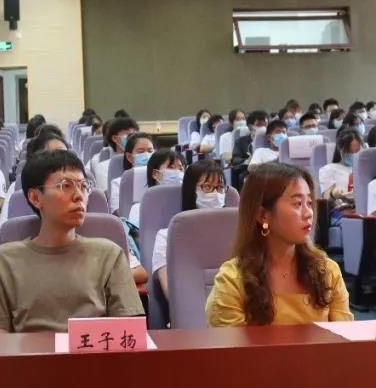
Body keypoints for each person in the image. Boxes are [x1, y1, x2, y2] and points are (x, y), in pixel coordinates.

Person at [0, 150, 144, 333]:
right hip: (27, 351)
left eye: (83, 186)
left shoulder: (109, 255)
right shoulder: (2, 261)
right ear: (35, 198)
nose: (79, 195)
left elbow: (128, 333)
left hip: (92, 351)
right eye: (66, 185)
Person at [206, 162, 351, 326]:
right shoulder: (232, 281)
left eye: (309, 203)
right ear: (263, 215)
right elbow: (230, 342)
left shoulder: (327, 271)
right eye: (298, 204)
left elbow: (345, 336)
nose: (309, 213)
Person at [152, 159, 228, 302]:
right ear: (191, 190)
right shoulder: (167, 236)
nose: (215, 194)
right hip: (192, 309)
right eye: (207, 187)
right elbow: (171, 294)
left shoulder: (235, 231)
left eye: (219, 187)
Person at [0, 126, 69, 230]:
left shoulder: (80, 189)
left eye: (66, 155)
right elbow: (3, 231)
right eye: (55, 156)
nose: (64, 160)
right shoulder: (16, 189)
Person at [126, 148, 185, 225]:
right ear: (156, 174)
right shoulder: (139, 209)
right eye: (171, 167)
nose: (178, 172)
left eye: (180, 168)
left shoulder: (190, 204)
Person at [318, 129, 361, 223]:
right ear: (340, 149)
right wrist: (334, 193)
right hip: (342, 212)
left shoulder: (365, 169)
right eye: (349, 151)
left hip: (363, 209)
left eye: (357, 151)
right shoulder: (328, 169)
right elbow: (326, 197)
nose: (353, 155)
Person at [110, 132, 155, 213]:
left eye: (150, 151)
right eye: (141, 152)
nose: (147, 155)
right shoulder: (119, 183)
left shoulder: (160, 178)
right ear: (129, 157)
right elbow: (117, 213)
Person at [90, 116, 137, 192]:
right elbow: (108, 196)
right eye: (129, 136)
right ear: (115, 138)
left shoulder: (141, 161)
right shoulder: (103, 167)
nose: (134, 141)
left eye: (136, 136)